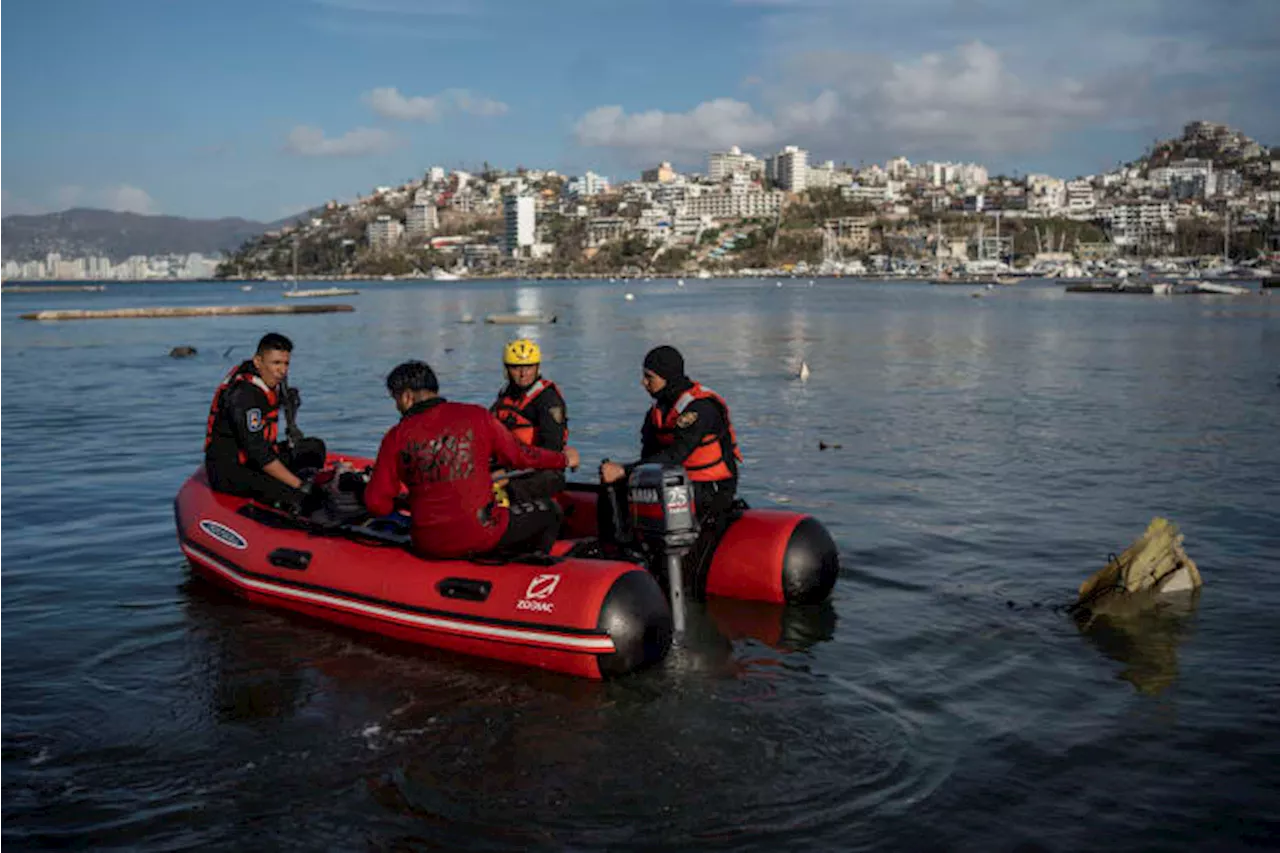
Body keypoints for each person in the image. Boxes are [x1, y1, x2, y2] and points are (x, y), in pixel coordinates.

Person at [363, 360, 581, 560]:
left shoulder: (395, 436)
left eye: (395, 400)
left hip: (428, 543)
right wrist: (562, 459)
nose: (397, 407)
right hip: (483, 532)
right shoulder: (476, 416)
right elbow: (521, 455)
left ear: (407, 397)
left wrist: (408, 501)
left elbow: (376, 504)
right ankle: (524, 575)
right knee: (551, 511)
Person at [599, 345, 743, 569]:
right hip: (677, 483)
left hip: (711, 488)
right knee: (613, 487)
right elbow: (648, 457)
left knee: (634, 480)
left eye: (649, 377)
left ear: (667, 376)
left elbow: (676, 455)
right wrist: (623, 477)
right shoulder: (657, 412)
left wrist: (624, 470)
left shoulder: (700, 408)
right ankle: (620, 553)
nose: (643, 383)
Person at [204, 332, 327, 512]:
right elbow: (259, 455)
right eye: (276, 363)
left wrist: (290, 408)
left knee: (314, 447)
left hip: (259, 459)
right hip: (233, 470)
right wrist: (300, 486)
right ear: (258, 362)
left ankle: (297, 485)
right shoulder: (244, 395)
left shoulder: (268, 382)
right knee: (303, 499)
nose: (282, 370)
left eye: (286, 363)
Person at [490, 338, 569, 504]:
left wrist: (507, 472)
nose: (523, 373)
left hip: (541, 471)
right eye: (516, 367)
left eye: (529, 367)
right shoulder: (506, 395)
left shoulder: (548, 400)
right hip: (509, 468)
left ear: (537, 367)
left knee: (505, 491)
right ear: (506, 369)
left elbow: (551, 449)